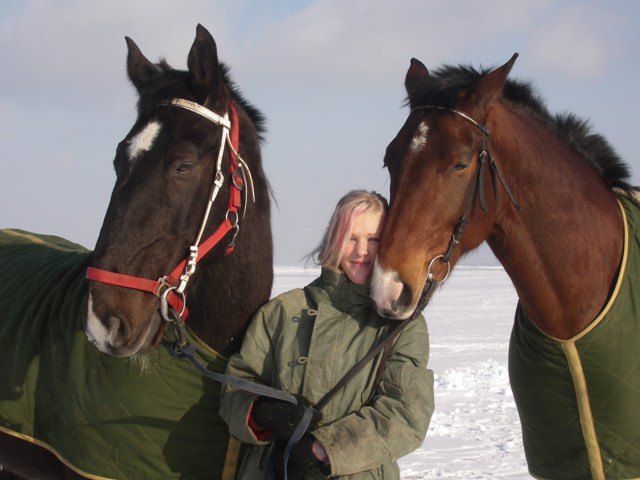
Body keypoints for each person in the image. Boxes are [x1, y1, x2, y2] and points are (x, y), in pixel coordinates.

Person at [219, 190, 434, 479]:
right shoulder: (283, 310)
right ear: (335, 239)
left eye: (374, 240)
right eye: (351, 238)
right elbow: (236, 386)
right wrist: (259, 412)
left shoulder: (402, 324)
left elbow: (405, 414)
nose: (362, 251)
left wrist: (324, 451)